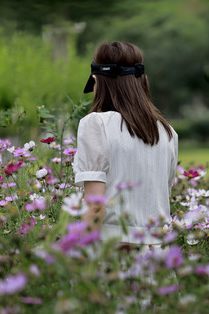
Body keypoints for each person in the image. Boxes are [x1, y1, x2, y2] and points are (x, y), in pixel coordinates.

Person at [73, 41, 178, 251]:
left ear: (97, 80)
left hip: (113, 252)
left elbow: (95, 208)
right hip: (157, 255)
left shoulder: (96, 124)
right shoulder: (166, 132)